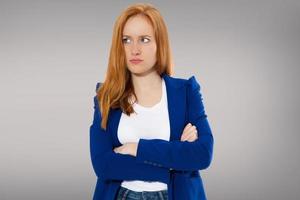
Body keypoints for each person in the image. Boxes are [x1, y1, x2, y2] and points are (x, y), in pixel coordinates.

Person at [89, 3, 214, 200]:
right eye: (126, 40)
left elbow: (202, 154)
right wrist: (174, 161)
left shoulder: (186, 92)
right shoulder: (106, 96)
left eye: (144, 40)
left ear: (159, 44)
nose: (134, 49)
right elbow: (103, 165)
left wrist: (137, 148)